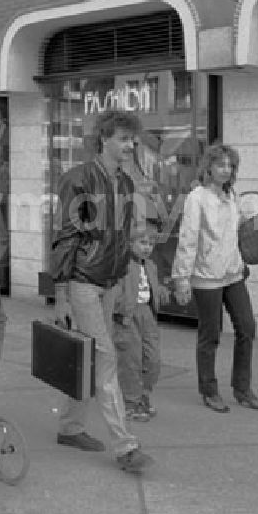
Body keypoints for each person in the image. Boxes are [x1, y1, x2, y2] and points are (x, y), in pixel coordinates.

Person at [50, 110, 154, 475]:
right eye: (123, 139)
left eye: (132, 139)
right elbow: (66, 237)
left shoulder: (125, 184)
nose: (130, 145)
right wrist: (60, 294)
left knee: (89, 356)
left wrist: (130, 272)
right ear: (104, 139)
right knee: (106, 356)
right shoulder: (77, 179)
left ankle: (70, 427)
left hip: (108, 281)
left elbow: (122, 238)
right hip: (82, 281)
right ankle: (126, 446)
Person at [172, 143, 258, 413]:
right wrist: (181, 278)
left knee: (247, 327)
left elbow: (236, 233)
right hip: (206, 276)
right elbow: (188, 239)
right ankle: (209, 390)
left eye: (230, 166)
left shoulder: (231, 196)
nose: (226, 170)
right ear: (209, 167)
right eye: (221, 165)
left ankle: (242, 388)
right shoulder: (197, 197)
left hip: (233, 273)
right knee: (210, 334)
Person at [113, 226, 169, 422]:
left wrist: (161, 292)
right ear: (130, 244)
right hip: (127, 315)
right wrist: (119, 306)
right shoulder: (121, 265)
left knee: (152, 359)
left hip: (147, 313)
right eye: (143, 243)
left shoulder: (151, 266)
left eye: (151, 244)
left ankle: (142, 395)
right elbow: (114, 290)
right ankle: (130, 403)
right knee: (130, 360)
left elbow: (154, 287)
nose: (147, 248)